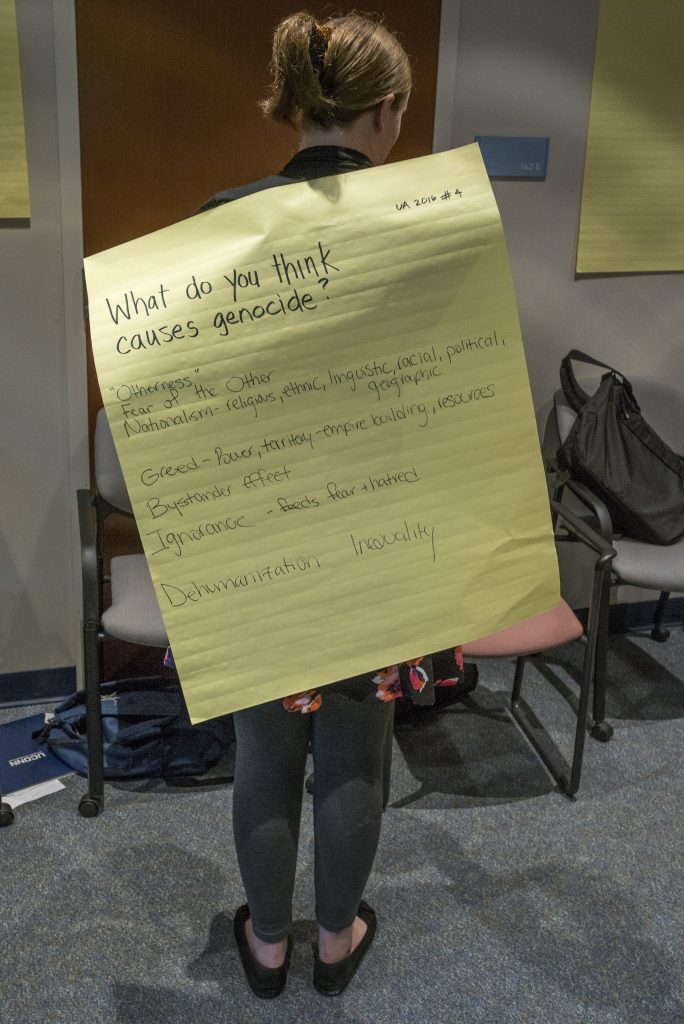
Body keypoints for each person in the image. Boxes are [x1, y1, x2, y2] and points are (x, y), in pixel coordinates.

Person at [197, 10, 461, 998]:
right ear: (387, 110)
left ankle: (267, 946)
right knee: (357, 743)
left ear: (297, 102)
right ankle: (338, 941)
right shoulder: (427, 227)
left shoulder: (222, 219)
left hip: (260, 541)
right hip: (381, 537)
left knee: (265, 752)